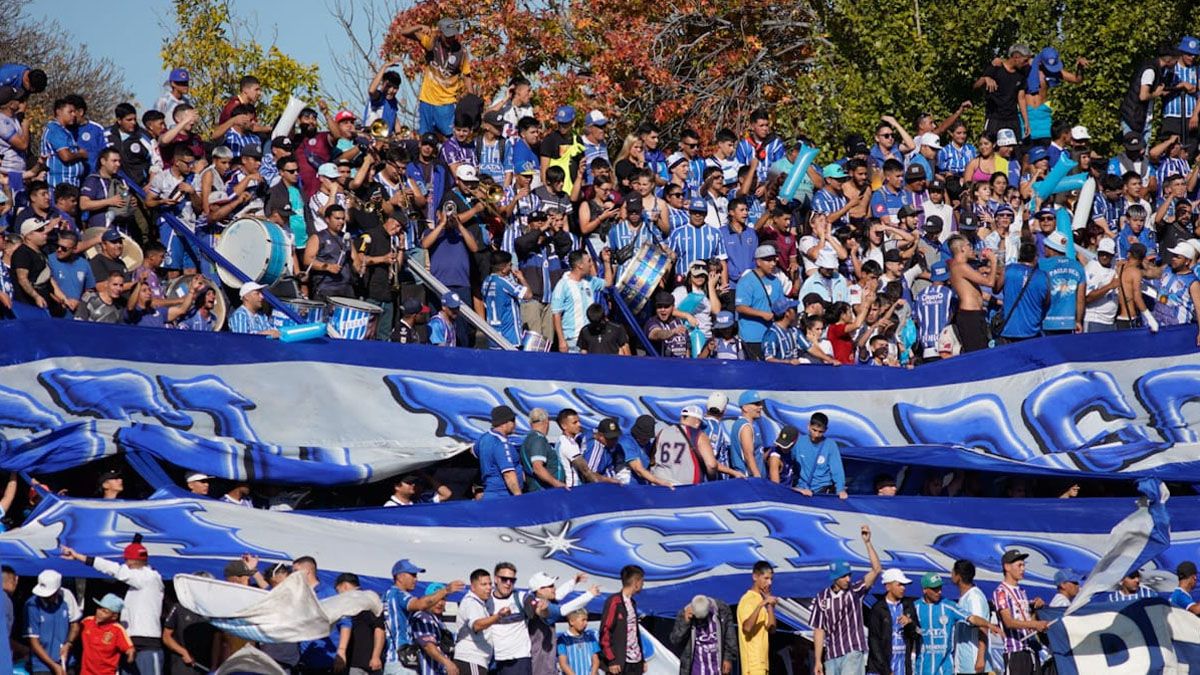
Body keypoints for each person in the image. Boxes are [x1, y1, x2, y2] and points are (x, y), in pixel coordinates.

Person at [61, 538, 165, 675]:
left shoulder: (150, 578)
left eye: (126, 560)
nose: (125, 563)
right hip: (128, 643)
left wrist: (80, 557)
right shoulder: (138, 583)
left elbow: (115, 570)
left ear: (131, 561)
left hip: (147, 645)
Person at [811, 526, 883, 675]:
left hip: (852, 651)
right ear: (835, 577)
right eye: (844, 576)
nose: (848, 579)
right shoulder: (822, 597)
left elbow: (876, 570)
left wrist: (868, 543)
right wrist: (818, 660)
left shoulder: (855, 591)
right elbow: (819, 629)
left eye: (849, 575)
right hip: (831, 655)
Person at [911, 573, 995, 675]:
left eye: (940, 588)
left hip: (945, 669)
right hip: (923, 669)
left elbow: (971, 618)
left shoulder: (949, 606)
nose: (939, 592)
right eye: (935, 589)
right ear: (925, 590)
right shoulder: (915, 608)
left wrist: (989, 625)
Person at [400, 18, 472, 136]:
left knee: (449, 136)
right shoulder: (432, 41)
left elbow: (466, 74)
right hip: (427, 99)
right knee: (426, 137)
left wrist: (471, 97)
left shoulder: (461, 51)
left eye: (453, 35)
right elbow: (404, 32)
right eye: (447, 36)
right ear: (440, 33)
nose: (450, 39)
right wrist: (420, 26)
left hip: (446, 101)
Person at [993, 549, 1048, 675]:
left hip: (1030, 650)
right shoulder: (1001, 591)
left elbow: (1028, 620)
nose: (1023, 569)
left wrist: (1035, 610)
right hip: (1015, 652)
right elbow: (1008, 622)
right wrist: (1035, 625)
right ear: (1007, 567)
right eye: (1019, 565)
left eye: (1024, 565)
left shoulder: (1022, 591)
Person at [454, 569, 511, 675]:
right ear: (473, 587)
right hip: (471, 659)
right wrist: (498, 616)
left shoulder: (481, 603)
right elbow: (477, 625)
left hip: (477, 661)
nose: (489, 588)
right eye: (484, 584)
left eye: (490, 584)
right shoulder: (471, 602)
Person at [25, 569, 82, 675]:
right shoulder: (31, 604)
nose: (45, 598)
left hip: (66, 661)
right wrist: (54, 665)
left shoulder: (67, 596)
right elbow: (33, 641)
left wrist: (68, 644)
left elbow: (75, 625)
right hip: (41, 665)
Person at [946, 234, 998, 351]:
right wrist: (993, 261)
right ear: (962, 249)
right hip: (970, 316)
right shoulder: (960, 266)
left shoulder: (960, 266)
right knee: (976, 352)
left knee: (983, 348)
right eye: (969, 245)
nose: (972, 248)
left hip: (975, 314)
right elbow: (989, 282)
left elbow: (976, 292)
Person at [734, 245, 784, 360]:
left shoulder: (776, 281)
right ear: (758, 261)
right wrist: (762, 314)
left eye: (774, 259)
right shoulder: (746, 281)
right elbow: (740, 307)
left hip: (773, 335)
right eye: (768, 260)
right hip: (753, 336)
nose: (773, 264)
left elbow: (781, 304)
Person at [650, 405, 718, 485]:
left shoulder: (662, 432)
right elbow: (711, 465)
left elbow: (653, 458)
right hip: (685, 488)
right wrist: (712, 479)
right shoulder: (699, 435)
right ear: (697, 422)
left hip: (660, 484)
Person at [670, 594, 737, 675]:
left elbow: (730, 637)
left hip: (717, 666)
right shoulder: (684, 614)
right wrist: (685, 622)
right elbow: (675, 640)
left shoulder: (722, 611)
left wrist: (728, 658)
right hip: (697, 668)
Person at [865, 568, 915, 675]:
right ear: (888, 586)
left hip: (902, 667)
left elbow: (917, 634)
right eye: (899, 584)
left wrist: (910, 623)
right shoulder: (878, 609)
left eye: (904, 585)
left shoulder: (908, 606)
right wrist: (886, 670)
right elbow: (874, 642)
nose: (903, 588)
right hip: (880, 669)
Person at [333, 573, 386, 675]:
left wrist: (376, 656)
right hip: (359, 662)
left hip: (361, 664)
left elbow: (379, 629)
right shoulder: (371, 599)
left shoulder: (367, 601)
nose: (338, 595)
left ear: (344, 586)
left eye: (338, 591)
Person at [599, 565, 645, 675]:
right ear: (636, 582)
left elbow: (635, 633)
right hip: (620, 663)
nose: (643, 584)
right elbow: (605, 631)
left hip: (636, 661)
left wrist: (642, 659)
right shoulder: (614, 601)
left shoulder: (632, 603)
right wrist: (611, 659)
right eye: (642, 581)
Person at [950, 560, 993, 675]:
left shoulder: (974, 598)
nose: (951, 574)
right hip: (964, 664)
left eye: (953, 571)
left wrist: (980, 657)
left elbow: (982, 626)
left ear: (958, 576)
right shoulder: (964, 597)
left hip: (974, 663)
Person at [1038, 231, 1084, 335]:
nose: (1044, 248)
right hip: (1069, 322)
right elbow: (1080, 298)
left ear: (1050, 248)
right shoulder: (1078, 266)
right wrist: (1078, 321)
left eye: (1045, 246)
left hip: (1046, 321)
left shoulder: (1041, 264)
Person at [737, 561, 777, 675]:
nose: (769, 582)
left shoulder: (763, 599)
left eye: (771, 579)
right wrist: (761, 605)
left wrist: (769, 605)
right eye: (766, 578)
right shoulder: (747, 600)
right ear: (755, 577)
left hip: (763, 663)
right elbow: (747, 628)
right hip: (752, 664)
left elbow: (772, 629)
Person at [794, 412, 847, 498]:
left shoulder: (830, 445)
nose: (816, 435)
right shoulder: (799, 442)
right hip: (801, 490)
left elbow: (837, 470)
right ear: (808, 426)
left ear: (826, 430)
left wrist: (840, 489)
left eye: (820, 432)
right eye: (814, 430)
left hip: (822, 492)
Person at [476, 405, 523, 498]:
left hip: (489, 494)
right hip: (503, 496)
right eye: (513, 420)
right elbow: (508, 474)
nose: (515, 424)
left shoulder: (483, 438)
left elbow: (473, 452)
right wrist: (519, 497)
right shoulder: (501, 443)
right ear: (505, 422)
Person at [80, 594, 134, 675]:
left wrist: (130, 656)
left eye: (105, 611)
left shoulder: (117, 630)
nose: (100, 613)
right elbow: (75, 629)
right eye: (99, 608)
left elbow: (129, 648)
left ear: (114, 616)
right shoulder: (87, 622)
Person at [410, 581, 455, 675]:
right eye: (436, 599)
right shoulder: (423, 617)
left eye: (443, 599)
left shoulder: (439, 622)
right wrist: (447, 663)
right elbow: (428, 646)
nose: (440, 603)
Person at [1083, 238, 1119, 332]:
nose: (1104, 257)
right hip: (1094, 320)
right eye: (1102, 253)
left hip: (1110, 321)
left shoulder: (1114, 265)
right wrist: (1110, 286)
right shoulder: (1092, 268)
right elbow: (1087, 298)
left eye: (1107, 254)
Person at [558, 608, 600, 675]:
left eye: (587, 620)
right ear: (571, 621)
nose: (586, 623)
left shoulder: (590, 637)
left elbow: (595, 660)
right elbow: (563, 664)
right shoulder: (563, 639)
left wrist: (593, 673)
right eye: (583, 620)